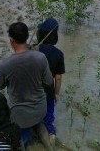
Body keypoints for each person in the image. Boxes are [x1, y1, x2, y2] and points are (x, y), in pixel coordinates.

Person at [0, 22, 53, 149]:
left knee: (21, 135)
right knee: (39, 124)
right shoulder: (41, 58)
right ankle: (50, 146)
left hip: (19, 115)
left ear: (11, 40)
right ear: (27, 37)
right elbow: (49, 82)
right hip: (40, 109)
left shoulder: (5, 64)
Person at [37, 18, 65, 146]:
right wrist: (56, 93)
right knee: (49, 115)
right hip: (48, 90)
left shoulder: (35, 50)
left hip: (34, 89)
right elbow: (58, 77)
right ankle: (51, 133)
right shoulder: (58, 54)